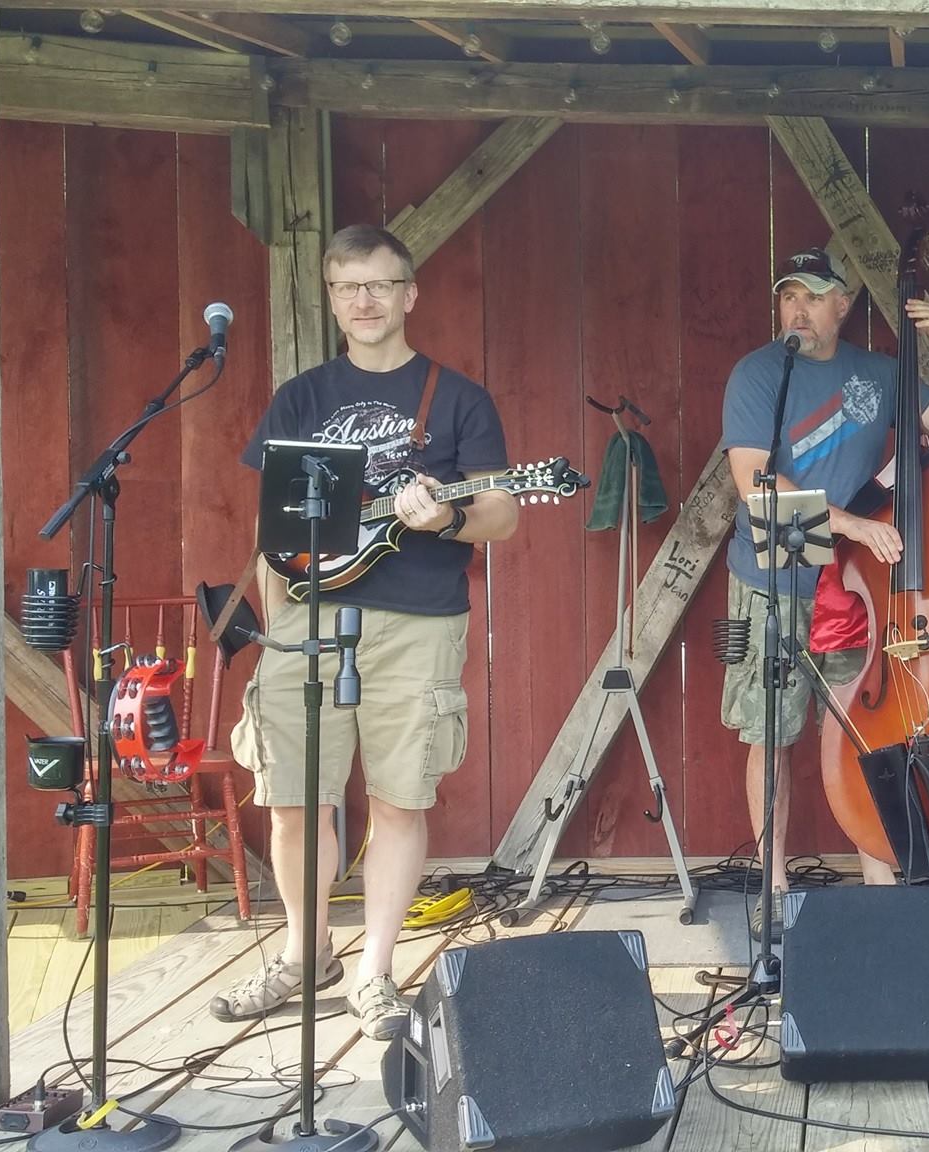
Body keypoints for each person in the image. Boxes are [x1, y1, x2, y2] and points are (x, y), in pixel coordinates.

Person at [211, 225, 517, 1040]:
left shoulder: (456, 398)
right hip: (307, 618)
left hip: (416, 622)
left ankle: (375, 971)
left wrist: (445, 516)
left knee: (398, 798)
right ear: (332, 297)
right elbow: (273, 528)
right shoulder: (303, 398)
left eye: (380, 285)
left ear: (409, 294)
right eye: (348, 287)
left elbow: (504, 511)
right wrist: (279, 624)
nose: (365, 301)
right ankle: (304, 954)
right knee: (291, 795)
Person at [718, 245, 929, 939]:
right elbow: (754, 489)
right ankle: (773, 890)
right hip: (772, 573)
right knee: (770, 732)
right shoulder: (757, 373)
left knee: (865, 737)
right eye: (788, 296)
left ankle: (880, 885)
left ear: (844, 305)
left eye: (812, 296)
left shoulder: (877, 371)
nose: (798, 309)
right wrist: (853, 526)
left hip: (854, 585)